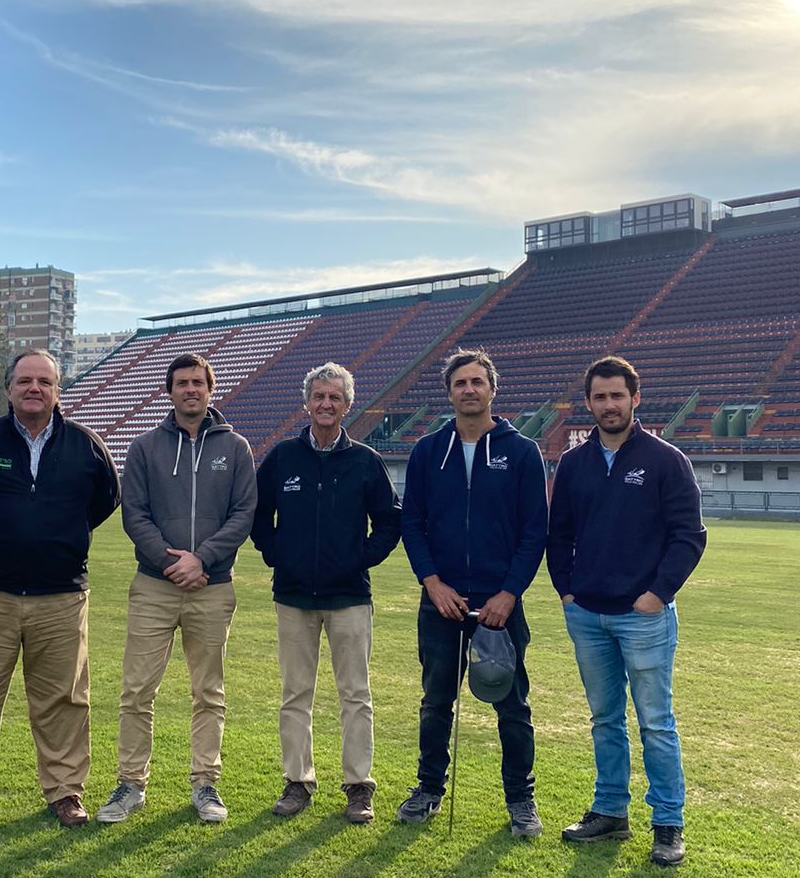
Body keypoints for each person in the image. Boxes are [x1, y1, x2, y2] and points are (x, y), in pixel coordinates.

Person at [0, 350, 119, 830]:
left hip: (60, 595)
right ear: (9, 388)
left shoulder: (85, 445)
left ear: (58, 390)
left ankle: (65, 792)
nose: (34, 389)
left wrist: (57, 539)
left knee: (65, 699)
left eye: (44, 381)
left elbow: (104, 501)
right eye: (24, 381)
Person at [547, 355, 706, 867]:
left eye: (618, 395)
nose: (609, 405)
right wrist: (567, 591)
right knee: (604, 719)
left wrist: (657, 593)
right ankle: (610, 810)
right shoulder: (574, 463)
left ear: (636, 399)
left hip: (644, 615)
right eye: (600, 397)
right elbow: (560, 534)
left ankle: (668, 823)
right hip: (587, 614)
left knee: (656, 721)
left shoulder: (665, 459)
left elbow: (689, 535)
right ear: (589, 403)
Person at [96, 353, 256, 825]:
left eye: (198, 383)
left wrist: (201, 559)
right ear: (170, 391)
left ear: (211, 390)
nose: (191, 390)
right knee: (136, 690)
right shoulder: (146, 447)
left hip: (212, 586)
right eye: (182, 383)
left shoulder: (237, 447)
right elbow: (135, 513)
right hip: (154, 585)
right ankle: (130, 784)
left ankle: (206, 783)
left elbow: (243, 513)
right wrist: (173, 563)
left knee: (209, 691)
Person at [398, 348, 548, 838]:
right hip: (441, 601)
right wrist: (432, 582)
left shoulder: (522, 451)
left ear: (492, 389)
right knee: (435, 701)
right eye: (460, 383)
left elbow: (534, 531)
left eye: (477, 382)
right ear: (450, 392)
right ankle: (428, 789)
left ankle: (521, 801)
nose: (469, 390)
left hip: (498, 604)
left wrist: (509, 593)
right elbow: (412, 524)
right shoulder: (427, 451)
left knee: (512, 705)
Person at [251, 362, 401, 824]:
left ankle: (359, 786)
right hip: (294, 595)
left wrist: (359, 559)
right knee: (296, 692)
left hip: (349, 597)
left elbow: (390, 520)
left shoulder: (365, 461)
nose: (326, 404)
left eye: (335, 397)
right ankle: (298, 781)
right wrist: (279, 555)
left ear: (348, 405)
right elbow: (259, 517)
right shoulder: (282, 458)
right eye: (319, 396)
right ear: (307, 402)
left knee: (355, 694)